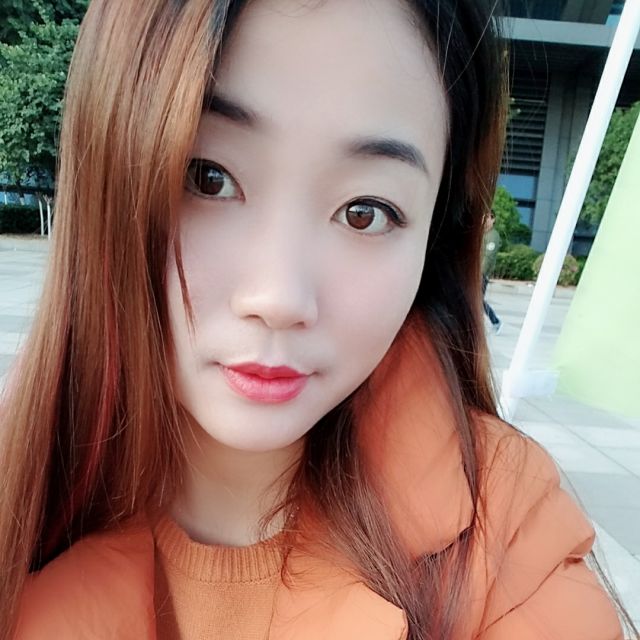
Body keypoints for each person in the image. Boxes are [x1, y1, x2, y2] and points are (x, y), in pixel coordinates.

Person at [0, 1, 635, 639]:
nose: (279, 297)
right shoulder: (18, 493)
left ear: (434, 240)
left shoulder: (506, 540)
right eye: (208, 178)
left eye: (365, 212)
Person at [482, 209, 502, 333]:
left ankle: (495, 321)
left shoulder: (493, 235)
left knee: (477, 301)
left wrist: (481, 273)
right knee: (476, 301)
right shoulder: (483, 234)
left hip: (481, 274)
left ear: (493, 219)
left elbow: (488, 257)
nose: (484, 220)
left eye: (487, 217)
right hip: (477, 274)